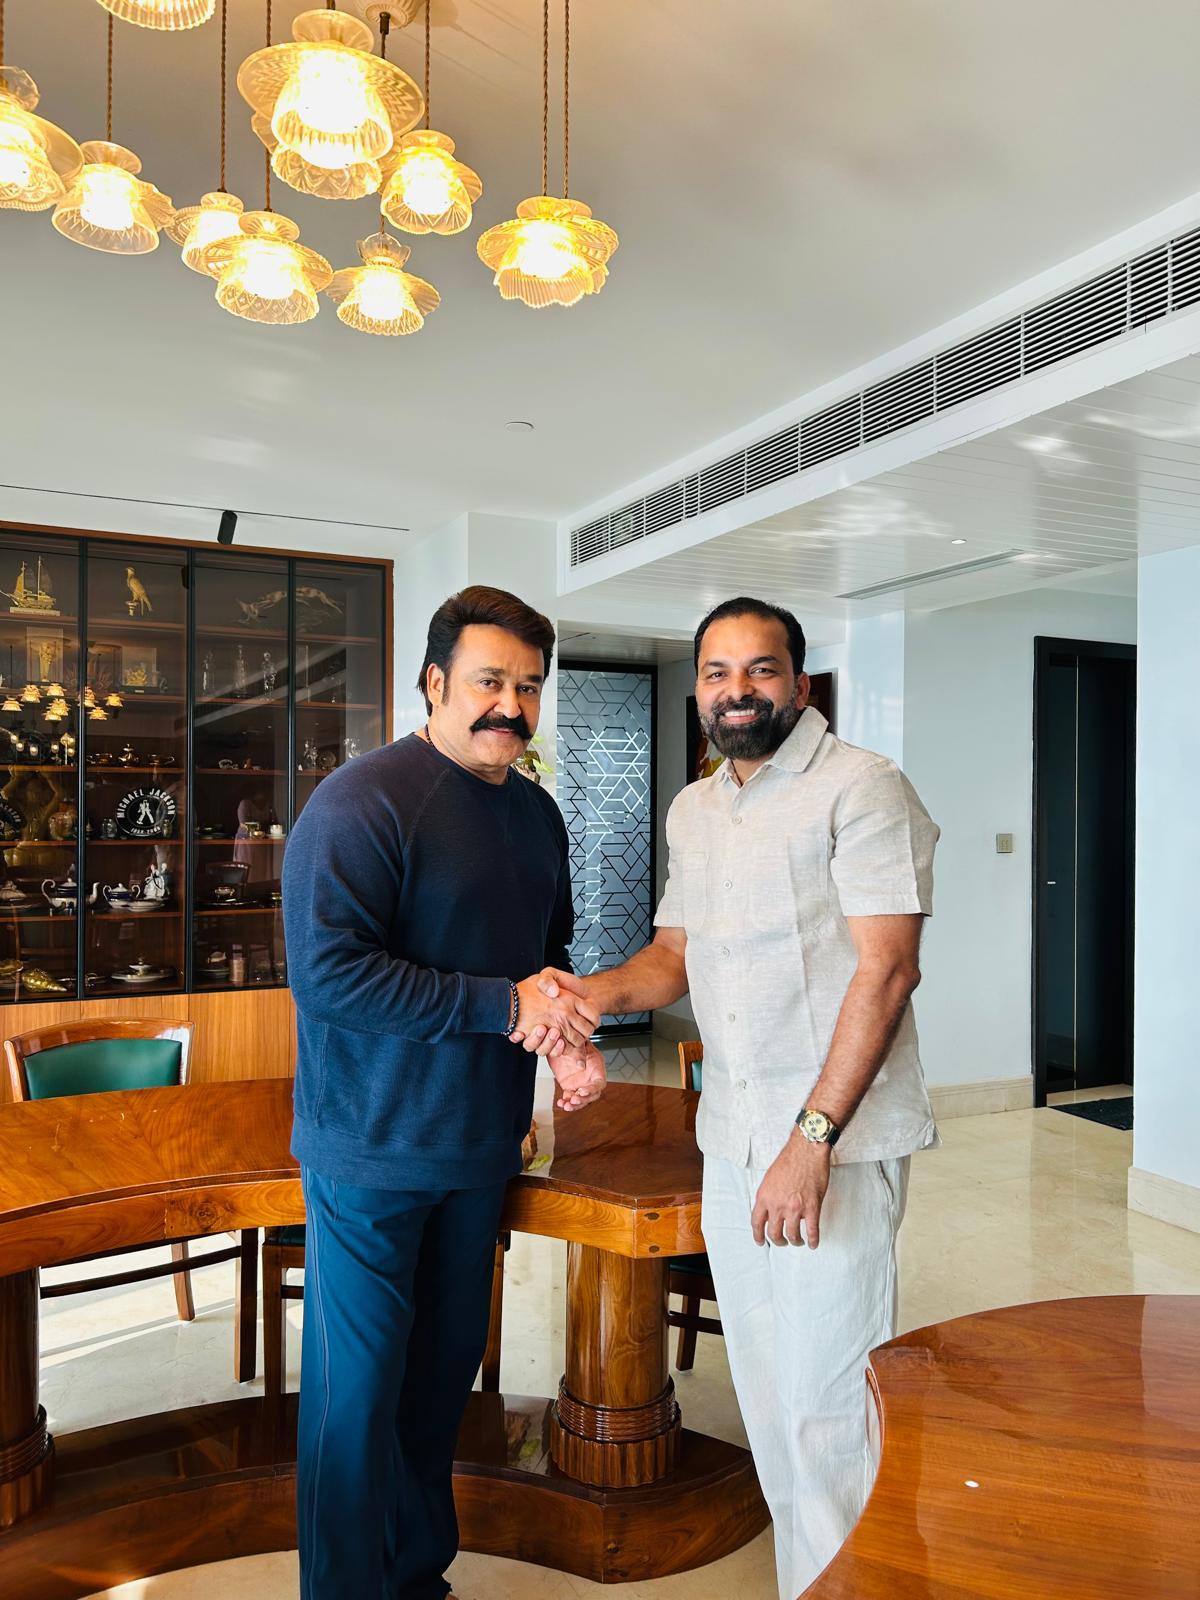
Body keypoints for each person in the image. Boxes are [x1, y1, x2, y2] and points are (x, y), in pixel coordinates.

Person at [521, 596, 939, 1600]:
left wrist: (812, 1138)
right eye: (717, 671)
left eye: (760, 669)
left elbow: (886, 971)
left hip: (829, 1148)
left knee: (829, 1409)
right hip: (732, 1145)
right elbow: (675, 957)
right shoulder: (696, 808)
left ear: (800, 683)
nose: (736, 689)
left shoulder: (864, 787)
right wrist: (586, 997)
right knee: (768, 1397)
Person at [282, 585, 606, 1600]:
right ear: (434, 682)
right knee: (355, 1403)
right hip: (370, 1151)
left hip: (479, 1150)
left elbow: (545, 958)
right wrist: (504, 1006)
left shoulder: (537, 813)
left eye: (528, 686)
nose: (511, 705)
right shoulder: (361, 800)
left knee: (435, 1392)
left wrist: (563, 1038)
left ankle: (417, 1580)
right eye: (488, 681)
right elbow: (328, 975)